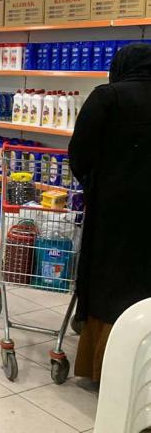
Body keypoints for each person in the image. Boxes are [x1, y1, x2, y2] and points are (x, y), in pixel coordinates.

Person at [69, 42, 151, 383]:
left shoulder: (109, 97)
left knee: (109, 281)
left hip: (114, 210)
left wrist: (95, 182)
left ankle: (104, 367)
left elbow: (79, 154)